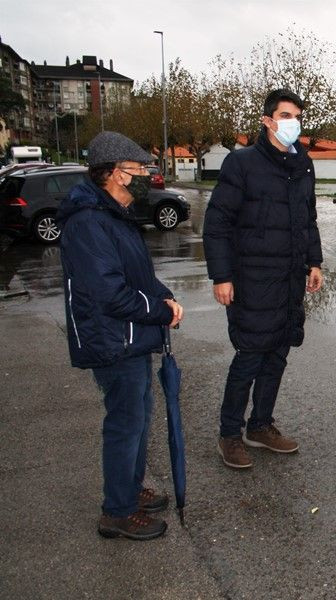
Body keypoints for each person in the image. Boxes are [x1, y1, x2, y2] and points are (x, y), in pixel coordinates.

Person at [58, 131, 184, 541]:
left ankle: (129, 488)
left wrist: (164, 296)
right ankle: (117, 511)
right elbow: (109, 293)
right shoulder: (89, 223)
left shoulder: (114, 216)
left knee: (139, 418)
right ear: (115, 173)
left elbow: (138, 277)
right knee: (125, 425)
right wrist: (159, 311)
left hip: (131, 336)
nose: (146, 175)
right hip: (113, 340)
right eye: (139, 168)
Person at [204, 88, 323, 469]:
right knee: (250, 356)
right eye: (286, 116)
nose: (293, 123)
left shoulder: (303, 165)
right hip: (252, 278)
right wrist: (221, 276)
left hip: (289, 278)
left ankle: (260, 425)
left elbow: (308, 219)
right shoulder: (242, 163)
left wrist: (314, 262)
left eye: (297, 116)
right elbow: (217, 223)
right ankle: (229, 434)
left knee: (277, 354)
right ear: (267, 121)